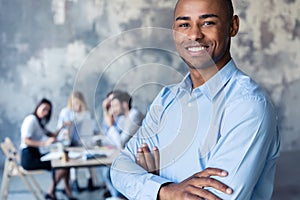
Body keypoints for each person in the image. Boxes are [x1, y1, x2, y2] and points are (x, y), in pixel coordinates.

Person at [110, 0, 280, 199]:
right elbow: (120, 168)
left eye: (207, 23)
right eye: (184, 25)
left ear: (233, 26)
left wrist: (146, 188)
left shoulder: (248, 106)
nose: (194, 35)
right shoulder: (166, 99)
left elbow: (216, 198)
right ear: (174, 30)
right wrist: (163, 191)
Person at [20, 98, 76, 200]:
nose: (46, 112)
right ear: (38, 106)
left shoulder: (39, 122)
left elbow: (53, 135)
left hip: (35, 154)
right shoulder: (31, 119)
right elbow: (25, 140)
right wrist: (44, 143)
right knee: (63, 165)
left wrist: (63, 126)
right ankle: (52, 192)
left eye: (48, 111)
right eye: (44, 109)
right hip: (29, 158)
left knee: (65, 163)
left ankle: (66, 190)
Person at [100, 91, 144, 199]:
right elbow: (113, 140)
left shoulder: (135, 115)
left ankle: (119, 197)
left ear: (124, 104)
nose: (113, 109)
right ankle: (117, 196)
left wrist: (110, 126)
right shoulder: (124, 118)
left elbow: (121, 143)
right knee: (105, 170)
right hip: (129, 154)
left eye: (115, 105)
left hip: (140, 156)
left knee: (109, 171)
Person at [57, 91, 97, 191]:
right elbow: (59, 130)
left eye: (79, 104)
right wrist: (65, 131)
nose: (77, 106)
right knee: (72, 160)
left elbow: (91, 129)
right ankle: (74, 181)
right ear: (71, 102)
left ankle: (90, 180)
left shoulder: (85, 113)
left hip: (82, 142)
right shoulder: (66, 112)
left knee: (87, 158)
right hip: (69, 142)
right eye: (75, 103)